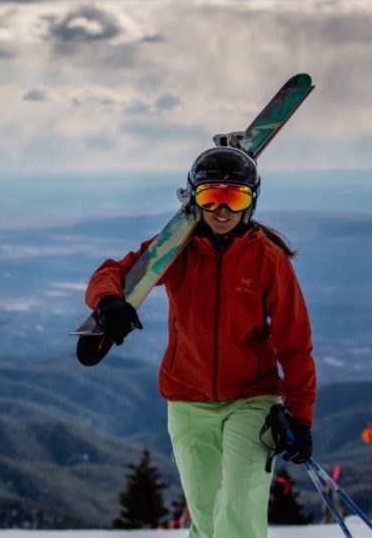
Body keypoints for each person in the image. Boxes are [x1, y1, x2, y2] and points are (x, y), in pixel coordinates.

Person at [84, 146, 316, 538]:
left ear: (251, 202)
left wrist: (300, 416)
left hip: (252, 400)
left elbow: (295, 342)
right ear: (194, 198)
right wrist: (108, 303)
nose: (222, 210)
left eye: (234, 197)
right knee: (207, 521)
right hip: (188, 402)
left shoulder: (267, 259)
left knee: (239, 508)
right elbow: (112, 272)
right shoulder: (176, 248)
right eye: (211, 196)